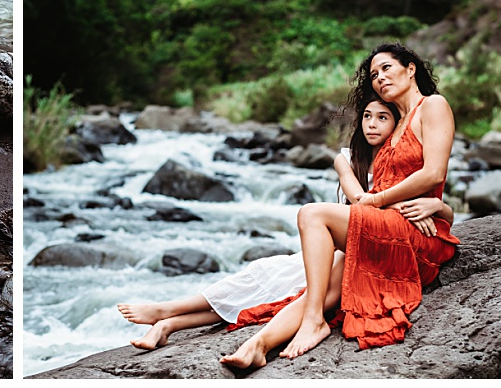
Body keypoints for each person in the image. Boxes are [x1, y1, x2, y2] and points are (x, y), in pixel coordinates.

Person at [116, 99, 453, 350]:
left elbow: (420, 209)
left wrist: (438, 205)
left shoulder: (397, 163)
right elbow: (361, 200)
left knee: (273, 299)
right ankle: (167, 315)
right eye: (367, 116)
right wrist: (419, 204)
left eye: (383, 118)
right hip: (330, 246)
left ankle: (168, 322)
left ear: (397, 126)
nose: (373, 124)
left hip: (351, 247)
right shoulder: (347, 158)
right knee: (259, 279)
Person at [219, 43, 459, 369]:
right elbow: (409, 189)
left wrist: (396, 203)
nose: (379, 78)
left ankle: (314, 321)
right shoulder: (393, 127)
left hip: (414, 233)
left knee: (312, 213)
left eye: (386, 68)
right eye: (374, 75)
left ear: (411, 68)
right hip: (385, 224)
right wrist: (435, 206)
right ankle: (259, 345)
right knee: (327, 287)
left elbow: (434, 173)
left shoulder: (432, 106)